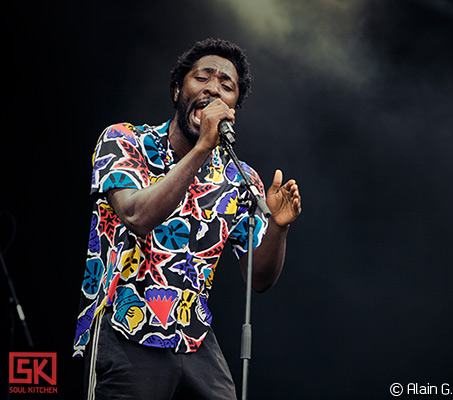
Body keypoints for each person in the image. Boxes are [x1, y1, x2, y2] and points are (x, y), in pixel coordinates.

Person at [73, 38, 302, 400]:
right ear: (179, 89)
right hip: (126, 328)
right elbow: (136, 214)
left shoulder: (240, 179)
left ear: (232, 109)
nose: (214, 89)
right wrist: (201, 151)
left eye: (227, 87)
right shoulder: (125, 141)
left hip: (194, 337)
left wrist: (279, 226)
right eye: (204, 78)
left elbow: (258, 279)